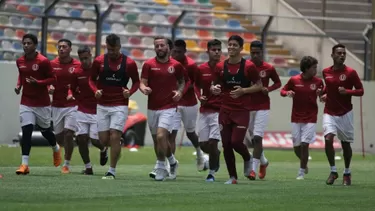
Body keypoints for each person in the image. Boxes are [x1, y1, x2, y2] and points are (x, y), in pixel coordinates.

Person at [211, 35, 262, 184]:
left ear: (241, 48)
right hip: (225, 109)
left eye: (235, 45)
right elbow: (214, 84)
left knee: (236, 142)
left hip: (242, 110)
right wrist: (214, 88)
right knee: (226, 144)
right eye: (230, 45)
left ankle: (248, 157)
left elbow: (259, 85)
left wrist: (244, 91)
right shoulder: (220, 66)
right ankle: (232, 177)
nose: (231, 47)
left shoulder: (249, 67)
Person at [89, 34, 140, 179]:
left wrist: (129, 92)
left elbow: (136, 82)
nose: (111, 52)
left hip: (119, 104)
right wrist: (95, 91)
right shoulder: (99, 61)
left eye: (114, 50)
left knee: (115, 135)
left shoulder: (129, 63)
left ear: (119, 47)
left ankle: (112, 170)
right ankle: (105, 148)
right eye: (108, 49)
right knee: (103, 140)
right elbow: (91, 79)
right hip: (102, 105)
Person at [140, 36, 186, 181]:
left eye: (162, 45)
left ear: (168, 47)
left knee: (161, 136)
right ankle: (171, 162)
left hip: (169, 107)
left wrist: (179, 92)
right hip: (153, 107)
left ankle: (161, 167)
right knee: (156, 140)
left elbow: (182, 81)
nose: (159, 48)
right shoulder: (148, 64)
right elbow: (142, 82)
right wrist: (144, 88)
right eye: (157, 46)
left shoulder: (176, 65)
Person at [15, 33, 61, 175]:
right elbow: (21, 76)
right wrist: (19, 86)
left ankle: (55, 148)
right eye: (24, 43)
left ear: (35, 45)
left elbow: (53, 79)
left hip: (42, 103)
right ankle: (24, 165)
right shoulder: (20, 61)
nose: (26, 45)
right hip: (26, 102)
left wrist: (38, 83)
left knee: (46, 131)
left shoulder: (43, 61)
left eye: (29, 43)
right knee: (27, 131)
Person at [320, 44, 364, 186]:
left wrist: (347, 92)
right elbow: (328, 86)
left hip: (345, 113)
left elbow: (360, 90)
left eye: (344, 53)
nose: (342, 55)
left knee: (345, 145)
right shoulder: (326, 71)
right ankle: (333, 171)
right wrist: (324, 93)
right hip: (329, 112)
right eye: (338, 53)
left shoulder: (351, 73)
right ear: (332, 55)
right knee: (328, 139)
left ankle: (347, 171)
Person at [280, 56, 324, 180]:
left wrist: (322, 96)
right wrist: (287, 93)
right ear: (306, 68)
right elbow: (282, 91)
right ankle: (304, 163)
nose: (316, 70)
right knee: (297, 147)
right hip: (296, 117)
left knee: (305, 145)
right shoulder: (294, 80)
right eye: (314, 67)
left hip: (310, 117)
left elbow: (323, 94)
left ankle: (301, 172)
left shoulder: (318, 82)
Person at [69, 45, 108, 175]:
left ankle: (103, 149)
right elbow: (72, 88)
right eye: (81, 59)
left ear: (90, 55)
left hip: (97, 109)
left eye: (86, 58)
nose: (84, 61)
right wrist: (71, 94)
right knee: (81, 138)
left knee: (94, 140)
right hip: (82, 109)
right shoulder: (76, 72)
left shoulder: (98, 70)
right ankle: (88, 167)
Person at [247, 40, 281, 180]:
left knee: (257, 137)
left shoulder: (268, 68)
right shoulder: (246, 66)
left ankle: (253, 170)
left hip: (263, 106)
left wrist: (269, 89)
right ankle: (264, 162)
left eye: (257, 53)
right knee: (252, 140)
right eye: (252, 53)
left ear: (262, 53)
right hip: (248, 106)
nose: (255, 55)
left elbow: (278, 82)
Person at [170, 39, 206, 170]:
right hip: (173, 104)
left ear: (184, 52)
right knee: (171, 133)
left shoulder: (191, 65)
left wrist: (182, 90)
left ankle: (200, 154)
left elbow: (195, 83)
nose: (175, 54)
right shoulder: (169, 63)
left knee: (190, 133)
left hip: (189, 103)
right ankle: (171, 164)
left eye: (179, 52)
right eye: (174, 51)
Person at [50, 39, 81, 174]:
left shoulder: (77, 65)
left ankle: (66, 164)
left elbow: (80, 82)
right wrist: (48, 86)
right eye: (59, 46)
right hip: (56, 105)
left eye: (64, 46)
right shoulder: (51, 64)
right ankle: (58, 150)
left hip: (72, 104)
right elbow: (47, 80)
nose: (61, 49)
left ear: (70, 49)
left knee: (69, 133)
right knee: (58, 138)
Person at [194, 39, 223, 182]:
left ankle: (211, 173)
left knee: (213, 142)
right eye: (214, 49)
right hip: (205, 110)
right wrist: (200, 96)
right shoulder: (201, 69)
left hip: (219, 111)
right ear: (208, 51)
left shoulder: (226, 69)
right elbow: (195, 85)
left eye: (219, 49)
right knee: (204, 145)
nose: (217, 52)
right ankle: (216, 154)